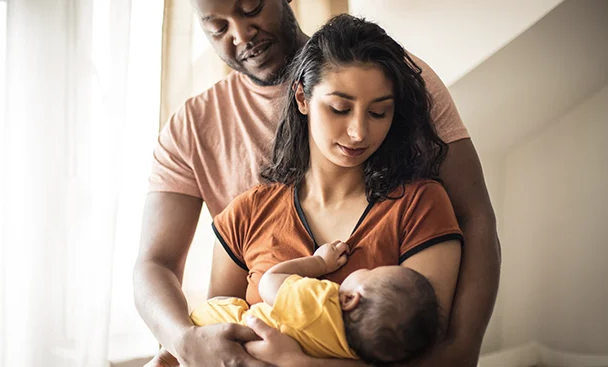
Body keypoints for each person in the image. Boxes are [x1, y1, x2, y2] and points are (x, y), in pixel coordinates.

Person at [134, 1, 500, 366]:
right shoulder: (245, 206)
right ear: (302, 99)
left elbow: (475, 218)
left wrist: (462, 353)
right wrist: (183, 343)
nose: (358, 131)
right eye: (217, 27)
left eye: (378, 112)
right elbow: (216, 330)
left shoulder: (417, 203)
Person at [189, 240, 443, 365]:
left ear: (350, 299)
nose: (365, 268)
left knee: (225, 303)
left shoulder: (321, 304)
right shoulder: (352, 353)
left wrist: (319, 263)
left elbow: (270, 283)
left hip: (219, 327)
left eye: (370, 272)